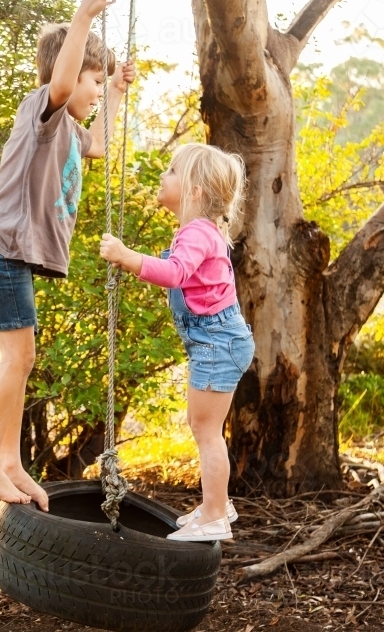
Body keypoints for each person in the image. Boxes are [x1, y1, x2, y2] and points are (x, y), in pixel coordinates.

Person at [0, 0, 137, 512]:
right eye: (91, 79)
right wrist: (83, 15)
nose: (90, 90)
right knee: (17, 357)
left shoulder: (74, 132)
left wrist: (114, 91)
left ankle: (10, 461)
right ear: (67, 73)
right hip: (1, 247)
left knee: (23, 357)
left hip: (9, 254)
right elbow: (63, 83)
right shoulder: (45, 111)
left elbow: (103, 145)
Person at [98, 143, 253, 541]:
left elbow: (175, 274)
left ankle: (216, 516)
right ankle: (215, 503)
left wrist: (127, 256)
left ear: (195, 191)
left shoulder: (198, 233)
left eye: (170, 170)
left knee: (205, 430)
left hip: (218, 341)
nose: (162, 176)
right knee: (203, 425)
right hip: (217, 340)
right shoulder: (198, 231)